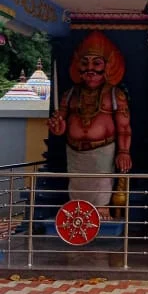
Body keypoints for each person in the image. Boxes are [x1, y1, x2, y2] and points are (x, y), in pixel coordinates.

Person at [48, 32, 132, 219]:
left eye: (96, 63)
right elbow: (59, 122)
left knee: (102, 188)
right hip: (74, 151)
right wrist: (58, 127)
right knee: (76, 187)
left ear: (108, 66)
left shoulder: (115, 95)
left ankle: (100, 219)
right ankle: (77, 221)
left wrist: (124, 152)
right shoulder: (70, 94)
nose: (90, 69)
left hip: (102, 151)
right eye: (85, 63)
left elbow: (124, 128)